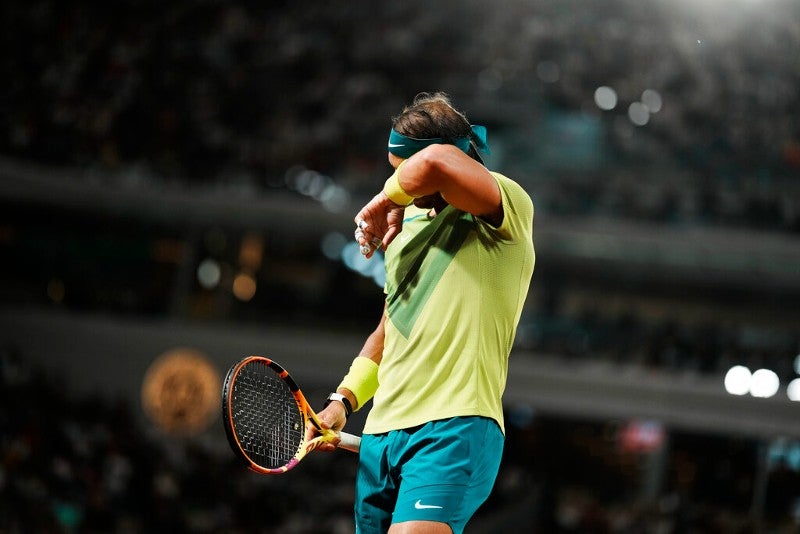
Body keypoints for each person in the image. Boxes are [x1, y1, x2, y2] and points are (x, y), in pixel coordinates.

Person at [309, 92, 535, 534]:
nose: (401, 187)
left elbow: (434, 163)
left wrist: (384, 198)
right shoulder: (405, 229)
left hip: (455, 427)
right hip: (383, 435)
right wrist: (343, 401)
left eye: (403, 174)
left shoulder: (507, 204)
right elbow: (392, 326)